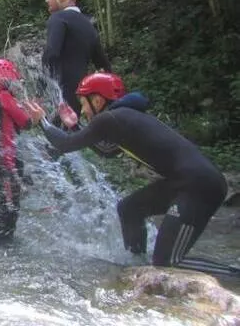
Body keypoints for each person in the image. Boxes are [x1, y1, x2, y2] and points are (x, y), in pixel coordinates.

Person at [25, 73, 230, 273]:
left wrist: (42, 121)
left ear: (97, 100)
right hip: (183, 181)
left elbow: (65, 144)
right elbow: (107, 151)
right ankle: (137, 267)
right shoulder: (120, 117)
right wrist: (75, 125)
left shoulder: (110, 118)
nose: (83, 109)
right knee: (130, 209)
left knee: (166, 263)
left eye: (84, 102)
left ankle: (233, 277)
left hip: (200, 187)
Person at [42, 0, 111, 125]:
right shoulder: (87, 24)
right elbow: (103, 64)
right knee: (73, 134)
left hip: (63, 92)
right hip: (82, 96)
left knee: (58, 137)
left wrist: (41, 84)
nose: (47, 0)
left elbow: (52, 52)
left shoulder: (58, 18)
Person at [0, 58, 33, 242]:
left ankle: (2, 243)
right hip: (5, 160)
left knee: (7, 203)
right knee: (10, 207)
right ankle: (0, 245)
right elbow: (26, 122)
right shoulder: (4, 98)